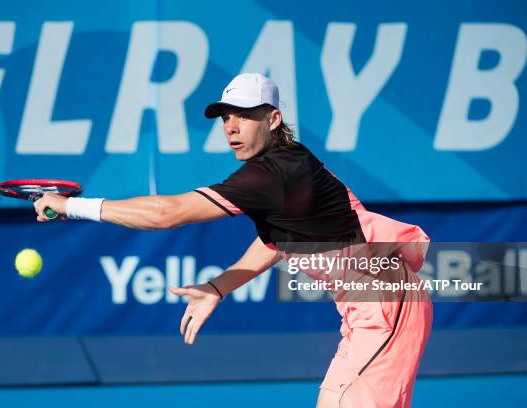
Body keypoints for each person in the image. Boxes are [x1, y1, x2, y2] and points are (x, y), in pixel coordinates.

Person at [33, 73, 432, 408]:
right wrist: (216, 288)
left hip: (385, 305)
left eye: (244, 115)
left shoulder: (272, 175)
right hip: (374, 310)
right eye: (226, 117)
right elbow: (278, 241)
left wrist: (72, 207)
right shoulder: (287, 165)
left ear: (273, 118)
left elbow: (166, 214)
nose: (231, 127)